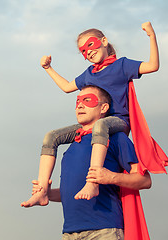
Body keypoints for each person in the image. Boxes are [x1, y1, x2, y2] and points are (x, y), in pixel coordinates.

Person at [21, 22, 158, 207]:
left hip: (118, 121)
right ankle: (43, 191)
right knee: (51, 136)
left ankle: (92, 182)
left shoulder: (122, 66)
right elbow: (67, 87)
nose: (88, 52)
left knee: (101, 126)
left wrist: (151, 36)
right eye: (83, 51)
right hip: (93, 124)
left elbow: (152, 66)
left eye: (90, 45)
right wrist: (48, 68)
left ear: (104, 41)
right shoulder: (89, 73)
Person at [29, 85, 152, 239]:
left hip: (104, 231)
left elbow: (145, 181)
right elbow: (76, 193)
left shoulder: (117, 139)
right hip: (69, 233)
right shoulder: (72, 147)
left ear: (104, 108)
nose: (80, 105)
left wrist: (110, 177)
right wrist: (48, 193)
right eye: (78, 101)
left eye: (88, 100)